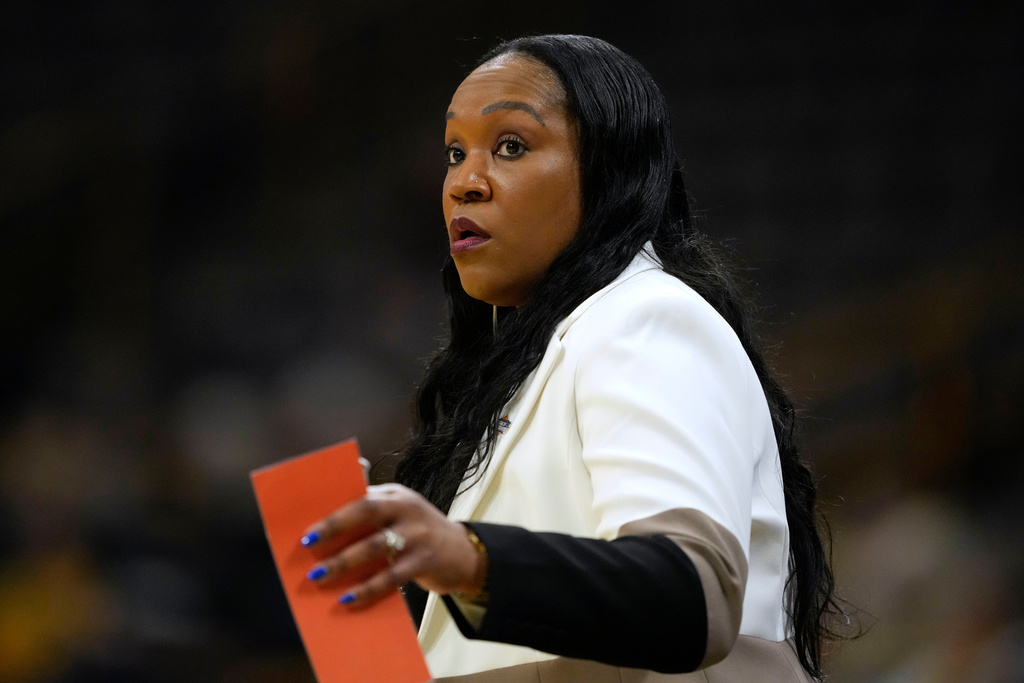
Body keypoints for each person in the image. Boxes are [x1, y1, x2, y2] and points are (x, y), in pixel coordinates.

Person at [297, 35, 841, 682]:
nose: (464, 183)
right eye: (454, 152)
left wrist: (470, 560)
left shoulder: (642, 316)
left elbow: (691, 595)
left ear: (607, 168)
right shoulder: (540, 361)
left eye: (510, 146)